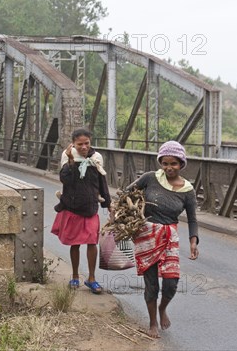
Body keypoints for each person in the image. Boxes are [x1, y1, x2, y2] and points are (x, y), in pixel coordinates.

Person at [123, 140, 199, 338]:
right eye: (165, 163)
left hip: (169, 237)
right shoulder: (150, 178)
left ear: (181, 163)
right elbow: (126, 193)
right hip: (146, 235)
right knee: (151, 284)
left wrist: (193, 241)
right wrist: (122, 210)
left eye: (173, 163)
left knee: (171, 283)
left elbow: (192, 218)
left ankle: (162, 307)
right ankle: (152, 323)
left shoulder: (187, 190)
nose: (169, 168)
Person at [51, 128, 112, 294]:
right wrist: (71, 160)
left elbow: (102, 182)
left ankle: (91, 278)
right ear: (73, 144)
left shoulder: (96, 158)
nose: (84, 147)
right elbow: (65, 179)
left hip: (91, 207)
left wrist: (108, 204)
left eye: (87, 143)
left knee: (92, 242)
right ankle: (75, 276)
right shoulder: (68, 156)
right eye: (80, 144)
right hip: (72, 207)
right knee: (75, 244)